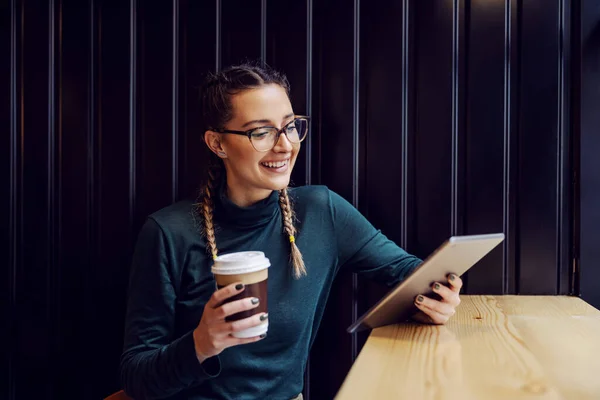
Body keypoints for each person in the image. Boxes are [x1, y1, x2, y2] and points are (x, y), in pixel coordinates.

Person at [119, 62, 462, 400]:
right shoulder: (167, 233)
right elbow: (138, 376)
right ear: (217, 143)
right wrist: (202, 343)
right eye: (261, 132)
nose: (285, 145)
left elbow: (408, 273)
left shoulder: (321, 211)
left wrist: (434, 299)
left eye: (290, 126)